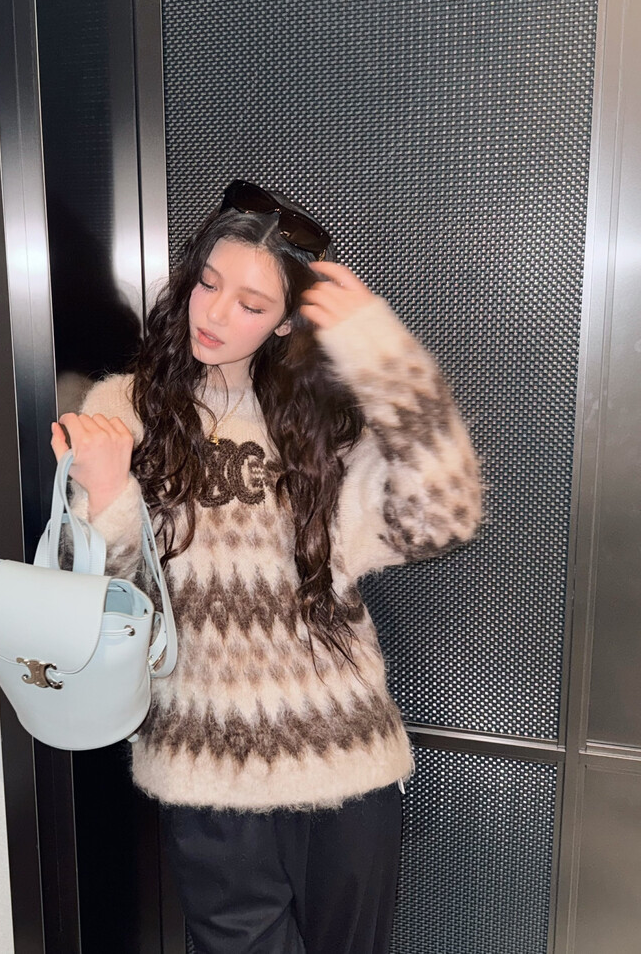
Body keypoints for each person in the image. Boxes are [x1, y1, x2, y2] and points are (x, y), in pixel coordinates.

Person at [51, 180, 482, 954]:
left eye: (250, 303)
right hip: (206, 772)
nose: (215, 314)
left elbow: (446, 514)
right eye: (208, 284)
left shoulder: (328, 424)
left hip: (345, 766)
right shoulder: (126, 408)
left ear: (286, 321)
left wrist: (384, 355)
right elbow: (92, 600)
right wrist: (109, 494)